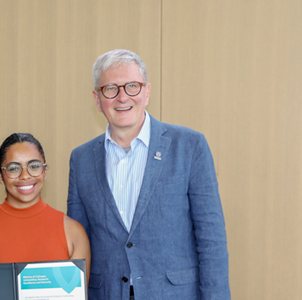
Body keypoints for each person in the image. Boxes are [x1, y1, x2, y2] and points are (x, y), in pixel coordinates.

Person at [66, 49, 230, 299]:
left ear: (146, 92)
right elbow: (78, 244)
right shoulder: (81, 159)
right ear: (97, 99)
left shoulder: (190, 146)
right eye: (110, 88)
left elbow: (211, 239)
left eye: (132, 86)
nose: (122, 97)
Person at [0, 133, 90, 300]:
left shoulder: (74, 232)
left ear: (45, 171)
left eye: (34, 166)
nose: (25, 176)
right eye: (14, 168)